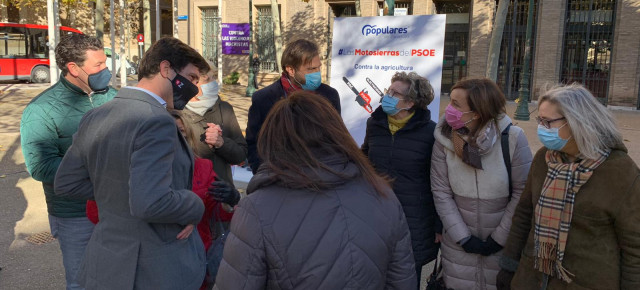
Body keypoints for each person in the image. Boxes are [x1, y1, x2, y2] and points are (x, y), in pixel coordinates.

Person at [53, 37, 211, 290]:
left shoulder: (96, 115)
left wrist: (120, 195)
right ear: (166, 69)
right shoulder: (156, 120)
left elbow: (66, 182)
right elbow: (151, 202)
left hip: (106, 265)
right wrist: (193, 204)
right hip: (152, 269)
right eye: (191, 78)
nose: (195, 90)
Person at [216, 91, 416, 289]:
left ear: (274, 140)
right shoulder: (382, 193)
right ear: (337, 132)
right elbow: (402, 280)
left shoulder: (256, 210)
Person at [497, 84, 640, 290]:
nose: (541, 128)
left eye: (548, 122)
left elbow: (634, 246)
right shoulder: (543, 159)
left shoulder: (621, 171)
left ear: (577, 122)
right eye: (540, 120)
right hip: (532, 278)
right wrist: (509, 267)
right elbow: (524, 215)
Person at [20, 33, 117, 290]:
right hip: (75, 215)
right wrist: (97, 174)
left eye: (105, 63)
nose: (105, 70)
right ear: (73, 68)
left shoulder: (112, 97)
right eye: (98, 66)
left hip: (116, 207)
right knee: (82, 281)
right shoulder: (41, 110)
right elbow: (41, 166)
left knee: (119, 276)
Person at [430, 78, 532, 289]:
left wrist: (498, 239)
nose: (449, 109)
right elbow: (441, 191)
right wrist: (463, 238)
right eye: (450, 102)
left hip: (502, 245)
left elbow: (523, 193)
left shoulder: (512, 138)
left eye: (456, 105)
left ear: (477, 113)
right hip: (458, 246)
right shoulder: (443, 139)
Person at [361, 71, 441, 286]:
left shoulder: (431, 133)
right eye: (389, 90)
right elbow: (364, 159)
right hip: (376, 214)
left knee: (405, 279)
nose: (387, 95)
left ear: (410, 102)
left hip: (414, 220)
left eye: (395, 93)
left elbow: (439, 182)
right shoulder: (374, 124)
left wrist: (439, 225)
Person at [245, 39, 341, 173]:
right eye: (311, 69)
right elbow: (254, 143)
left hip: (321, 177)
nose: (317, 73)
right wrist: (264, 174)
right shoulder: (263, 99)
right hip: (278, 179)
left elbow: (337, 139)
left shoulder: (330, 95)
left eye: (318, 67)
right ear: (290, 70)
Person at [182, 61, 248, 184]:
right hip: (190, 193)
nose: (214, 83)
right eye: (207, 80)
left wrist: (221, 143)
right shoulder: (177, 113)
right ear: (191, 84)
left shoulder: (224, 108)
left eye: (213, 78)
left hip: (221, 193)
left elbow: (241, 155)